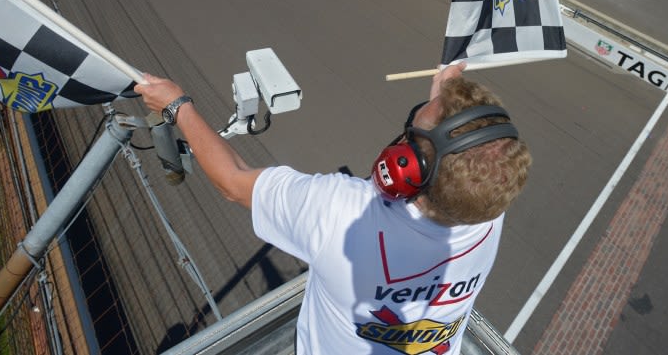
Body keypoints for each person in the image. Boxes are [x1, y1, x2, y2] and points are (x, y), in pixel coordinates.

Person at [134, 62, 531, 354]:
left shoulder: (343, 213)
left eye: (412, 132)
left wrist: (176, 104)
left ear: (403, 169)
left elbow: (232, 181)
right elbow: (474, 158)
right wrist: (446, 105)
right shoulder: (489, 207)